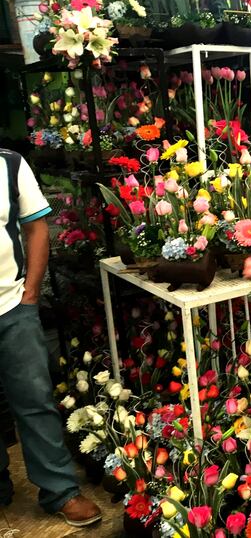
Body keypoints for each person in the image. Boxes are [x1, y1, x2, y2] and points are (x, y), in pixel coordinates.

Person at [0, 149, 102, 527]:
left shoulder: (9, 164)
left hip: (12, 306)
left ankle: (60, 490)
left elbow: (37, 227)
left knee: (35, 400)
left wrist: (30, 295)